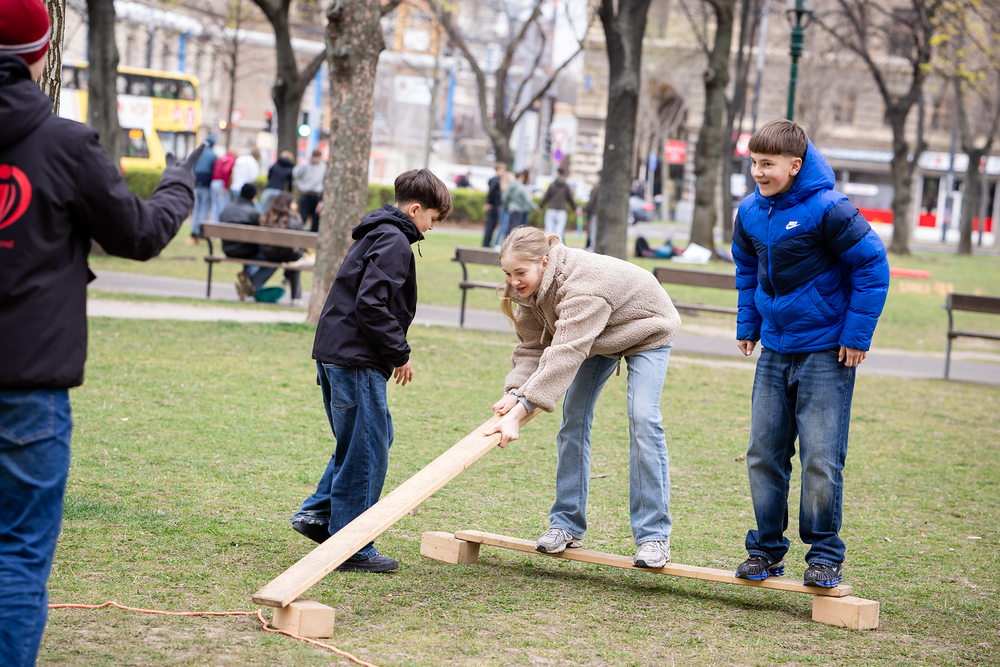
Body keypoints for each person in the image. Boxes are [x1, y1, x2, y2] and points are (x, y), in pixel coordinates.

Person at [0, 3, 204, 663]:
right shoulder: (63, 145)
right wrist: (179, 185)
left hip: (29, 382)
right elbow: (139, 234)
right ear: (42, 53)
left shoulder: (64, 143)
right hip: (26, 388)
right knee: (17, 554)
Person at [731, 119, 889, 588]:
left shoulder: (830, 208)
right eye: (754, 163)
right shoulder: (749, 211)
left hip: (826, 350)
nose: (758, 172)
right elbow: (746, 270)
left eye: (768, 164)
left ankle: (824, 555)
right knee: (763, 453)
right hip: (775, 349)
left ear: (796, 165)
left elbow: (872, 265)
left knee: (821, 458)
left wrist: (856, 335)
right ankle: (765, 550)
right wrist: (749, 325)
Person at [485, 227, 682, 570]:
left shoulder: (582, 289)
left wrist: (519, 412)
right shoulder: (527, 289)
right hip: (597, 336)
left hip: (645, 328)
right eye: (508, 273)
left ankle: (653, 537)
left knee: (643, 418)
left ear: (544, 262)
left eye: (520, 273)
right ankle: (566, 524)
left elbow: (565, 353)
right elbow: (533, 347)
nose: (514, 282)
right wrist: (514, 392)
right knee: (573, 418)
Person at [290, 169, 452, 572]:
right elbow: (371, 303)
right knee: (367, 449)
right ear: (415, 209)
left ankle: (319, 514)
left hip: (336, 354)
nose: (432, 227)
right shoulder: (394, 241)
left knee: (364, 440)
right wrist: (400, 353)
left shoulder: (376, 232)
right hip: (355, 359)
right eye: (432, 218)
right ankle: (352, 546)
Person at [218, 183, 266, 301]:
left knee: (249, 250)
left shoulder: (227, 208)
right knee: (267, 257)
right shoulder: (254, 213)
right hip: (247, 251)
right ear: (253, 197)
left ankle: (247, 285)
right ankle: (251, 285)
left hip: (228, 249)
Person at [258, 192, 307, 306]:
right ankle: (296, 297)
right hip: (290, 256)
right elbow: (304, 238)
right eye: (294, 203)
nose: (296, 206)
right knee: (294, 261)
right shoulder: (293, 219)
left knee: (291, 258)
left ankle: (254, 285)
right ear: (288, 204)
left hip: (270, 254)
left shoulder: (267, 216)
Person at [539, 166, 579, 243]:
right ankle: (558, 246)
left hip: (551, 208)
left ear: (557, 173)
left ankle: (549, 245)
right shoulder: (566, 186)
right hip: (562, 210)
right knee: (559, 231)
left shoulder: (552, 185)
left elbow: (546, 197)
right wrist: (575, 208)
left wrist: (540, 206)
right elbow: (570, 198)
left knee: (549, 230)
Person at [189, 134, 217, 242]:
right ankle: (202, 231)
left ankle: (193, 230)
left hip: (196, 181)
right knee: (204, 207)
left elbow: (193, 166)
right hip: (206, 182)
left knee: (196, 206)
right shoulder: (213, 155)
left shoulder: (199, 153)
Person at [293, 148, 327, 233]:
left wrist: (322, 199)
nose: (314, 159)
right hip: (306, 194)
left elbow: (325, 182)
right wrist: (299, 186)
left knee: (316, 217)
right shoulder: (304, 165)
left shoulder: (323, 166)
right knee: (302, 216)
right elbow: (295, 175)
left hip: (317, 195)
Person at [498, 169, 535, 243]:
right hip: (518, 209)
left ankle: (506, 243)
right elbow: (526, 199)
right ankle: (510, 243)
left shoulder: (511, 186)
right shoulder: (520, 187)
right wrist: (535, 207)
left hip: (511, 208)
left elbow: (505, 197)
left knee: (509, 227)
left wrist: (507, 205)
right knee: (515, 228)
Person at [482, 162, 506, 248]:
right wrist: (489, 203)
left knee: (493, 224)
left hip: (496, 205)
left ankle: (487, 242)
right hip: (493, 205)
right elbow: (491, 193)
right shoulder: (495, 180)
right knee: (490, 224)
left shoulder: (498, 180)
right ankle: (486, 243)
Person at [209, 147, 235, 221]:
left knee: (214, 206)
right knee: (222, 206)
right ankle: (221, 224)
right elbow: (226, 171)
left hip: (214, 182)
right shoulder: (231, 159)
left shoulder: (220, 159)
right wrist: (226, 186)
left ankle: (213, 223)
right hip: (221, 183)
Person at [585, 171, 601, 251]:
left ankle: (592, 247)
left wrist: (585, 209)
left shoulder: (597, 186)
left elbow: (591, 200)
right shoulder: (606, 187)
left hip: (595, 212)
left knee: (593, 231)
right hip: (602, 213)